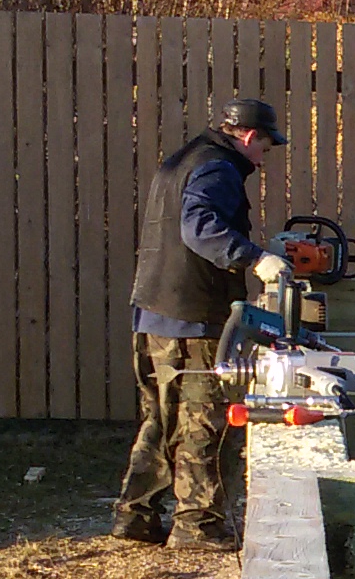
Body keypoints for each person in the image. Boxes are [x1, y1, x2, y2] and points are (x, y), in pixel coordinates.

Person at [113, 98, 294, 549]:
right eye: (265, 147)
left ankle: (136, 516)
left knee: (160, 419)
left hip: (154, 311)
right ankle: (199, 525)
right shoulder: (218, 168)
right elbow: (199, 228)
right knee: (204, 422)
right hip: (193, 318)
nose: (263, 157)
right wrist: (254, 258)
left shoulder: (184, 160)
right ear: (249, 136)